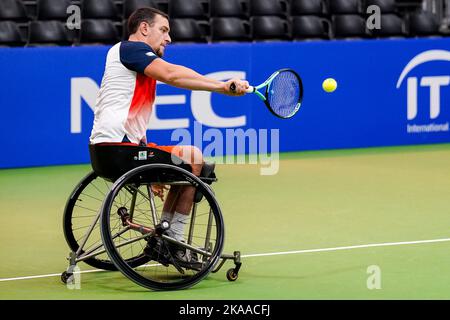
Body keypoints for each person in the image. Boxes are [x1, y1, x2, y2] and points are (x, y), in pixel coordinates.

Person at [89, 7, 249, 265]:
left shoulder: (130, 60)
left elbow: (132, 121)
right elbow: (173, 74)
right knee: (194, 158)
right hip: (119, 151)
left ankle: (165, 240)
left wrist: (148, 164)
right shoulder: (131, 50)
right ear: (144, 28)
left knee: (183, 162)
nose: (168, 38)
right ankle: (173, 242)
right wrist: (220, 86)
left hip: (109, 151)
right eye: (163, 30)